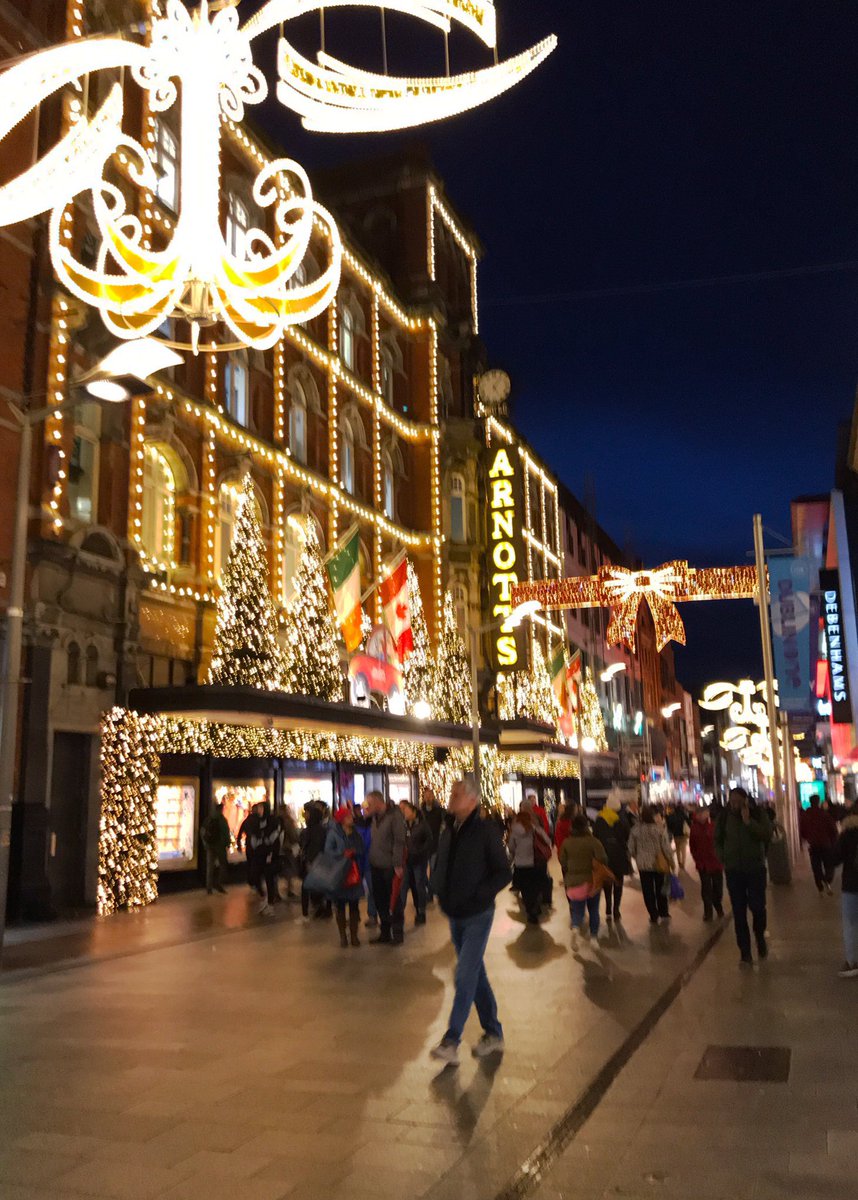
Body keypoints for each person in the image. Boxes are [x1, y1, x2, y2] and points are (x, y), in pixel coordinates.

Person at [430, 777, 512, 1065]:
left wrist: (480, 894)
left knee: (464, 974)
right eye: (451, 792)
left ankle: (451, 1040)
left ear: (473, 801)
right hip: (455, 914)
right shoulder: (449, 829)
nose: (451, 797)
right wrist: (438, 890)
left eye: (456, 794)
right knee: (476, 975)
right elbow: (442, 863)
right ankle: (493, 1033)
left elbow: (504, 871)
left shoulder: (485, 831)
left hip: (478, 914)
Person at [715, 787, 772, 966]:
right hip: (734, 871)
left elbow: (767, 834)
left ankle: (760, 937)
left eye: (738, 801)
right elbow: (717, 839)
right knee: (739, 912)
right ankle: (745, 952)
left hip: (755, 869)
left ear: (745, 801)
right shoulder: (724, 817)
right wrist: (723, 856)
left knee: (758, 908)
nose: (734, 804)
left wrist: (749, 822)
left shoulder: (757, 813)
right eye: (732, 801)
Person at [366, 790, 407, 945]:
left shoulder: (394, 816)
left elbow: (399, 841)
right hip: (376, 864)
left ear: (378, 802)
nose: (367, 806)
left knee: (394, 900)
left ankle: (397, 933)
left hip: (389, 866)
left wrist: (397, 864)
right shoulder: (375, 817)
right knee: (380, 900)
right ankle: (385, 932)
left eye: (370, 803)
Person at [560, 813, 608, 937]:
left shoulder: (567, 842)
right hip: (592, 881)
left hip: (574, 882)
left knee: (577, 910)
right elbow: (603, 858)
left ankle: (575, 928)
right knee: (593, 911)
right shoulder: (593, 841)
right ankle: (593, 938)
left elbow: (563, 861)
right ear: (586, 826)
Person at [325, 807, 364, 948]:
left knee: (354, 905)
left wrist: (355, 852)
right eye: (348, 817)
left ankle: (354, 935)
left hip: (353, 872)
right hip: (339, 873)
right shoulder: (333, 833)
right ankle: (343, 936)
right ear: (342, 820)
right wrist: (343, 853)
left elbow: (361, 848)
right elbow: (328, 851)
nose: (351, 818)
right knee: (340, 905)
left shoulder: (356, 833)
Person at [628, 806, 674, 924]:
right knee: (660, 888)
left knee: (647, 890)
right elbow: (666, 847)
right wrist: (670, 860)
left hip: (643, 865)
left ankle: (653, 914)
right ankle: (663, 912)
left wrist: (637, 857)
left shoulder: (635, 830)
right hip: (659, 863)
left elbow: (631, 848)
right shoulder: (659, 829)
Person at [507, 799, 550, 924]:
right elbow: (547, 841)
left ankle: (530, 910)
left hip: (521, 864)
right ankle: (536, 907)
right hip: (535, 863)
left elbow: (511, 847)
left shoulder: (515, 830)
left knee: (525, 889)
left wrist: (516, 852)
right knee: (535, 886)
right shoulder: (535, 828)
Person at [829, 803, 858, 977]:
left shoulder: (847, 834)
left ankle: (852, 962)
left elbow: (835, 858)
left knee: (850, 924)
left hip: (851, 884)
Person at [593, 798, 631, 922]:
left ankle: (608, 908)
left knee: (607, 881)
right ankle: (616, 910)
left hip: (604, 855)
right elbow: (627, 836)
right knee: (618, 882)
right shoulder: (621, 820)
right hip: (619, 855)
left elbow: (595, 837)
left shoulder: (599, 819)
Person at [246, 802, 283, 916]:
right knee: (254, 875)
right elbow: (252, 834)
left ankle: (270, 904)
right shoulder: (256, 821)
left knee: (269, 879)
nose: (259, 810)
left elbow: (275, 838)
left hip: (269, 855)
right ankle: (265, 898)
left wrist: (270, 850)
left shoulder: (273, 821)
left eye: (261, 808)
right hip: (258, 854)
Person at [689, 806, 724, 921]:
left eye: (705, 813)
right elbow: (692, 846)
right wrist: (697, 859)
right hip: (703, 864)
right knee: (706, 889)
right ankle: (708, 912)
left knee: (718, 888)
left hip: (716, 862)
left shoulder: (713, 826)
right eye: (700, 814)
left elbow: (721, 842)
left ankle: (717, 904)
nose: (703, 816)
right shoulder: (694, 828)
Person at [400, 800, 433, 924]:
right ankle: (399, 913)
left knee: (419, 885)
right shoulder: (404, 825)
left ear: (414, 812)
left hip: (419, 860)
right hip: (406, 860)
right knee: (404, 885)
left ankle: (421, 911)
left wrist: (420, 851)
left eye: (407, 811)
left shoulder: (422, 825)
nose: (405, 813)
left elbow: (429, 840)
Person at [799, 795, 838, 895]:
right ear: (818, 802)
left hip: (814, 845)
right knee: (829, 865)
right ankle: (827, 880)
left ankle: (820, 886)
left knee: (816, 867)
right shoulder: (825, 814)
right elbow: (833, 830)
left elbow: (802, 830)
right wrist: (834, 842)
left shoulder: (806, 815)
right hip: (826, 844)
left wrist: (808, 838)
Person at [299, 802, 331, 920]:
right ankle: (320, 909)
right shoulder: (319, 829)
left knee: (307, 888)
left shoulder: (313, 830)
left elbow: (314, 847)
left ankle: (306, 913)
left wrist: (309, 861)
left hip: (314, 863)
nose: (305, 815)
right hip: (319, 863)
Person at [421, 787, 445, 900]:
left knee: (433, 870)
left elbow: (444, 826)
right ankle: (429, 888)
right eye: (426, 796)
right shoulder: (421, 811)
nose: (428, 798)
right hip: (423, 846)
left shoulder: (439, 811)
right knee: (422, 870)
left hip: (435, 845)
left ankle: (430, 892)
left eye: (430, 796)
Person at [201, 801, 230, 895]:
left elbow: (203, 831)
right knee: (223, 865)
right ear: (221, 810)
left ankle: (209, 887)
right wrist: (227, 843)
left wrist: (205, 844)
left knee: (210, 867)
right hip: (220, 846)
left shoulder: (209, 818)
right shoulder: (222, 820)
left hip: (210, 846)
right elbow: (226, 833)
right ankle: (218, 884)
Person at [667, 804, 690, 871]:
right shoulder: (684, 815)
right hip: (683, 835)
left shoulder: (672, 816)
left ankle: (679, 862)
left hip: (676, 835)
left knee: (677, 849)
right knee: (683, 850)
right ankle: (683, 863)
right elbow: (689, 822)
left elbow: (669, 825)